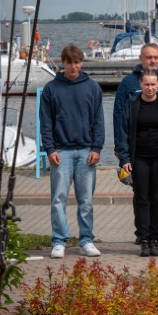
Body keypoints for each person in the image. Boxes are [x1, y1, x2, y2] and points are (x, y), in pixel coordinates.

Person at [39, 44, 104, 259]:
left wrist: (97, 147)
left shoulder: (93, 87)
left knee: (85, 200)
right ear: (62, 63)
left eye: (77, 62)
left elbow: (98, 121)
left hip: (86, 151)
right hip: (61, 152)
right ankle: (59, 241)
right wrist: (49, 148)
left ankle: (86, 240)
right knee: (58, 199)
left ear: (81, 63)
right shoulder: (51, 89)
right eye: (69, 62)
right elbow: (45, 122)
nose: (73, 66)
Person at [115, 69, 158, 256]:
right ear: (141, 85)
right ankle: (143, 238)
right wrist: (124, 158)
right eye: (146, 84)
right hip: (139, 158)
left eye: (153, 84)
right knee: (141, 198)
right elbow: (123, 132)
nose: (150, 88)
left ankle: (155, 238)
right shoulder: (132, 104)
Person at [113, 42, 158, 174]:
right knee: (140, 191)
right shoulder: (128, 83)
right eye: (149, 57)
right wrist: (119, 147)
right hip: (136, 148)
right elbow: (118, 115)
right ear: (141, 58)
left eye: (156, 57)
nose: (153, 61)